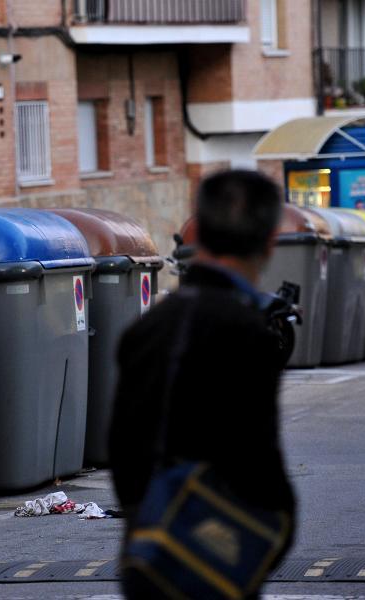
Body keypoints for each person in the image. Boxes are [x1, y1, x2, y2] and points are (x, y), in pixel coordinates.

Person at [109, 169, 296, 599]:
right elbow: (258, 462)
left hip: (149, 556)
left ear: (200, 232)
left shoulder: (147, 328)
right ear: (269, 242)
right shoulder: (248, 332)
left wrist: (145, 523)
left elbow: (122, 449)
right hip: (219, 557)